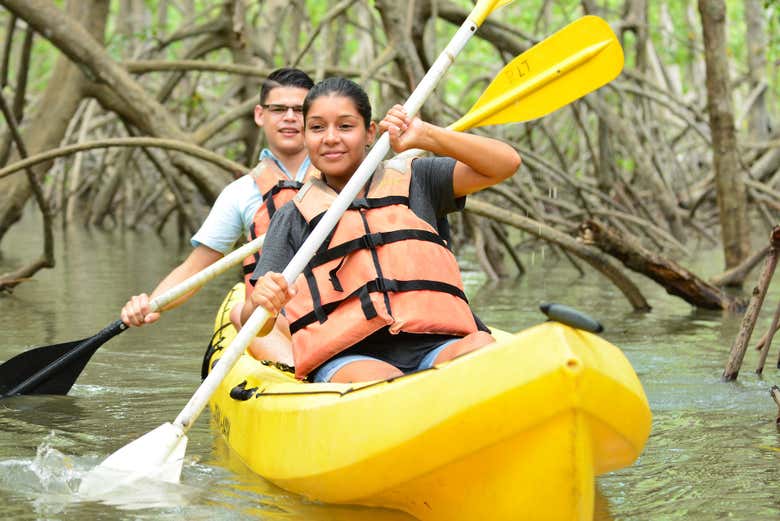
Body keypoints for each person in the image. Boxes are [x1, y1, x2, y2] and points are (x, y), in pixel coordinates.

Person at [241, 77, 521, 383]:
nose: (331, 138)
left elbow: (505, 164)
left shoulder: (419, 179)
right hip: (350, 358)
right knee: (383, 379)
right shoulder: (292, 217)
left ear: (370, 132)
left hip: (436, 345)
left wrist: (425, 135)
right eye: (318, 128)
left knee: (481, 345)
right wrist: (260, 303)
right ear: (306, 137)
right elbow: (255, 325)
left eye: (346, 126)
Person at [120, 68, 316, 365]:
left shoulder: (347, 176)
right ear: (260, 115)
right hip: (277, 316)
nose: (289, 117)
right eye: (279, 109)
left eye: (299, 110)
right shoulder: (241, 193)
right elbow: (195, 269)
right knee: (241, 312)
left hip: (338, 307)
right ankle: (298, 370)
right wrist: (152, 303)